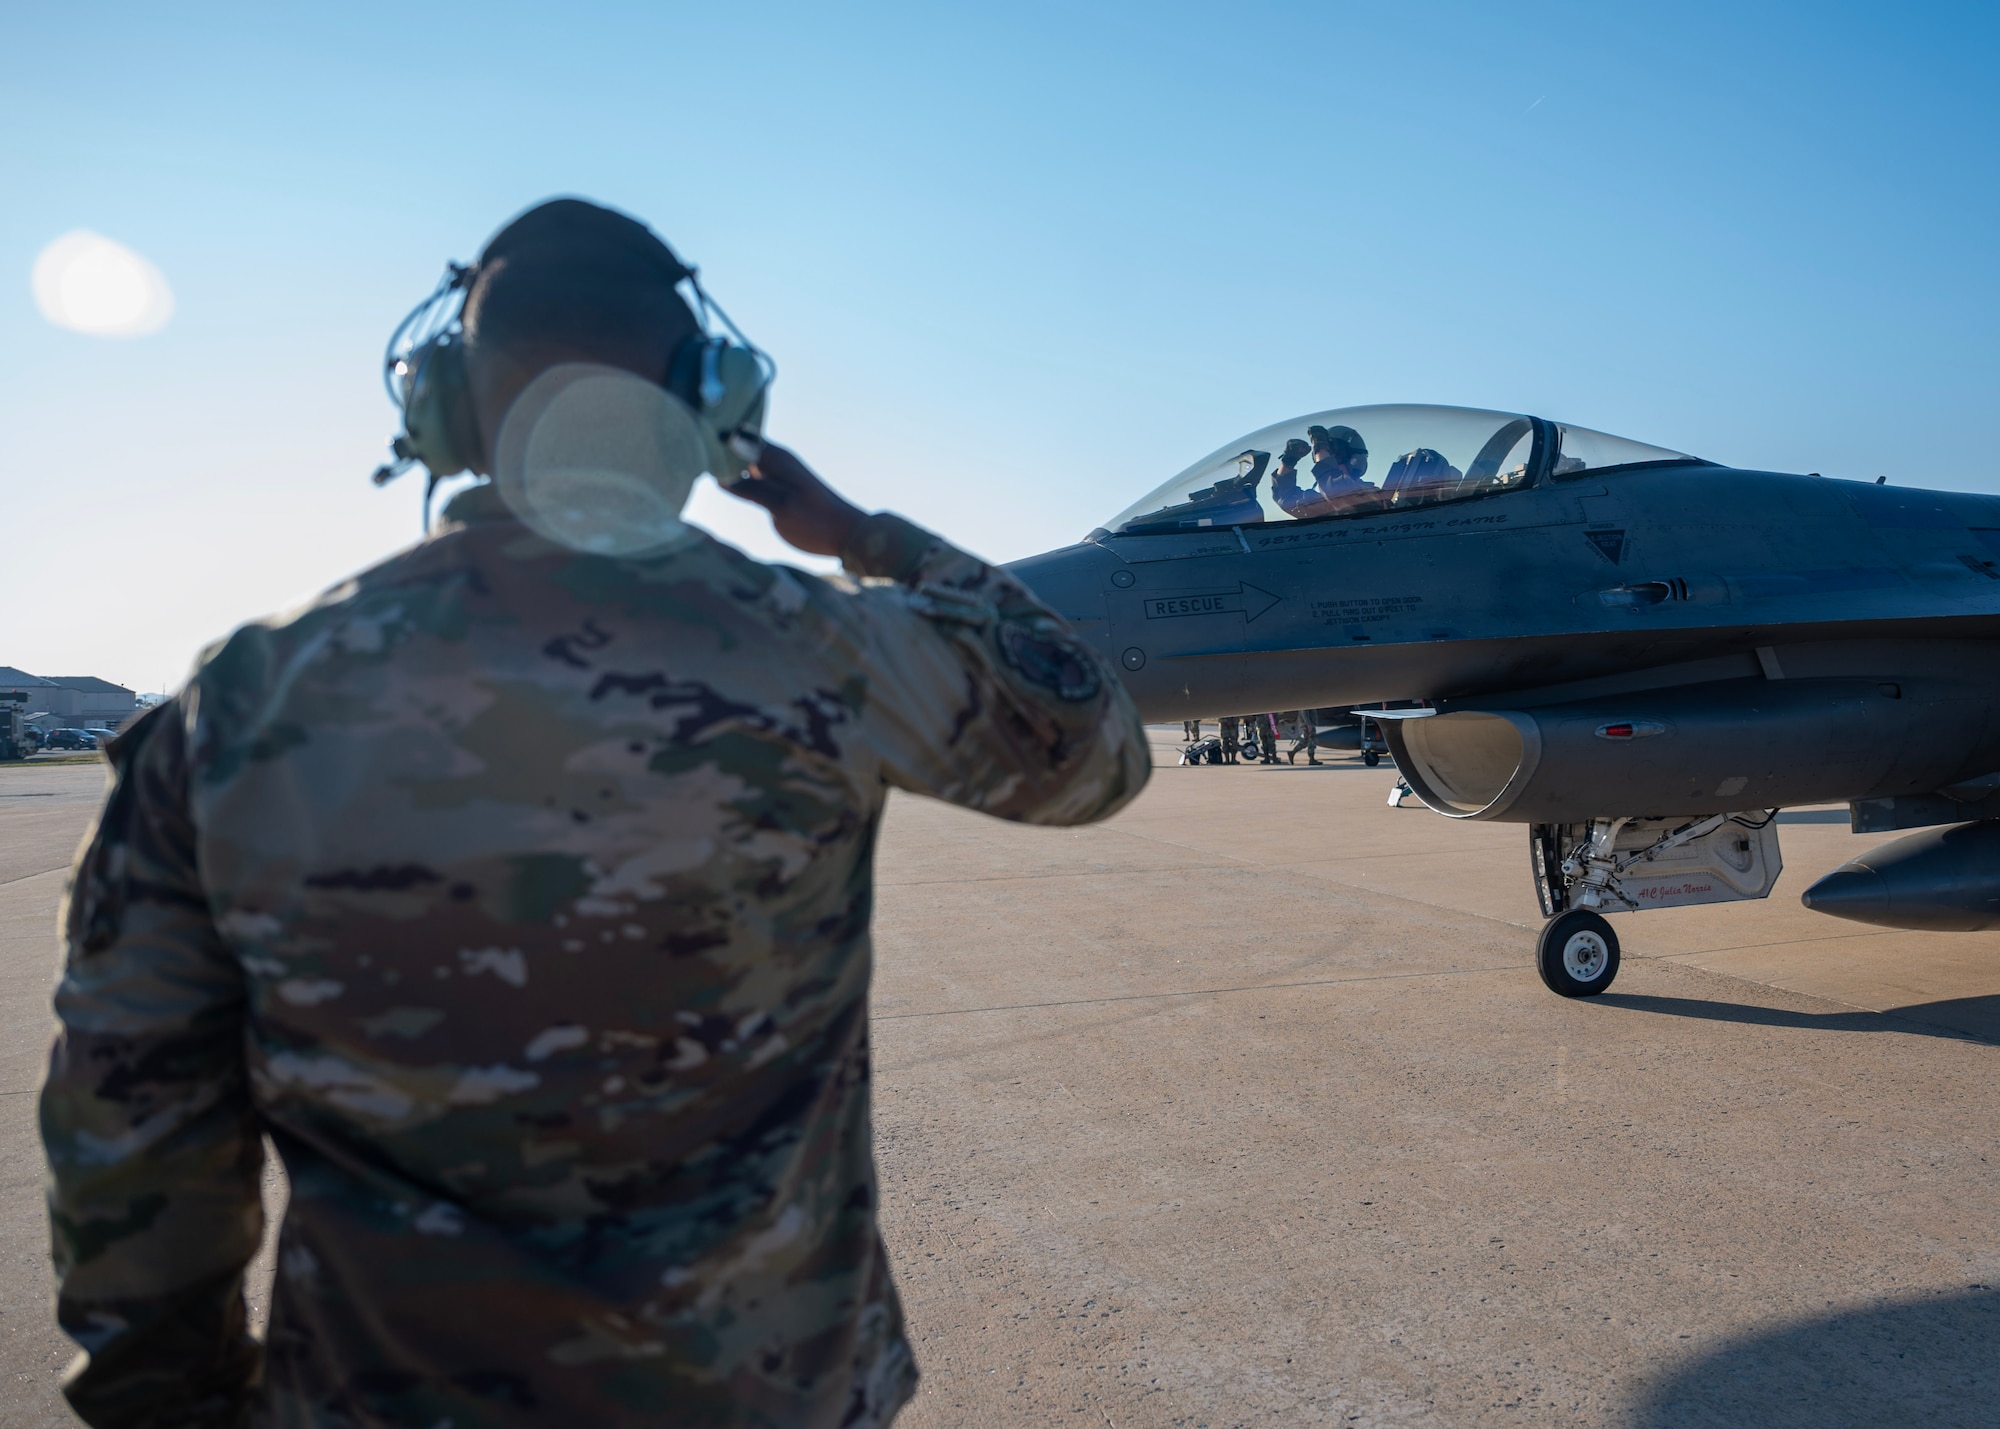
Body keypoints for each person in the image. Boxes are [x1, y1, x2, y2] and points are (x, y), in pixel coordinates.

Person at [39, 198, 1150, 1429]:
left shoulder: (245, 695)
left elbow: (131, 1093)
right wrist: (864, 537)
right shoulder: (821, 646)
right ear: (714, 407)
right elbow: (1090, 747)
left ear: (444, 412)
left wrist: (172, 1400)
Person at [1271, 424, 1375, 519]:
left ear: (1356, 460)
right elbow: (1286, 499)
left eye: (1335, 457)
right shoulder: (1325, 505)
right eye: (1327, 457)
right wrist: (1288, 462)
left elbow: (1339, 491)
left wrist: (1320, 450)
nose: (1331, 463)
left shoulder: (1374, 496)